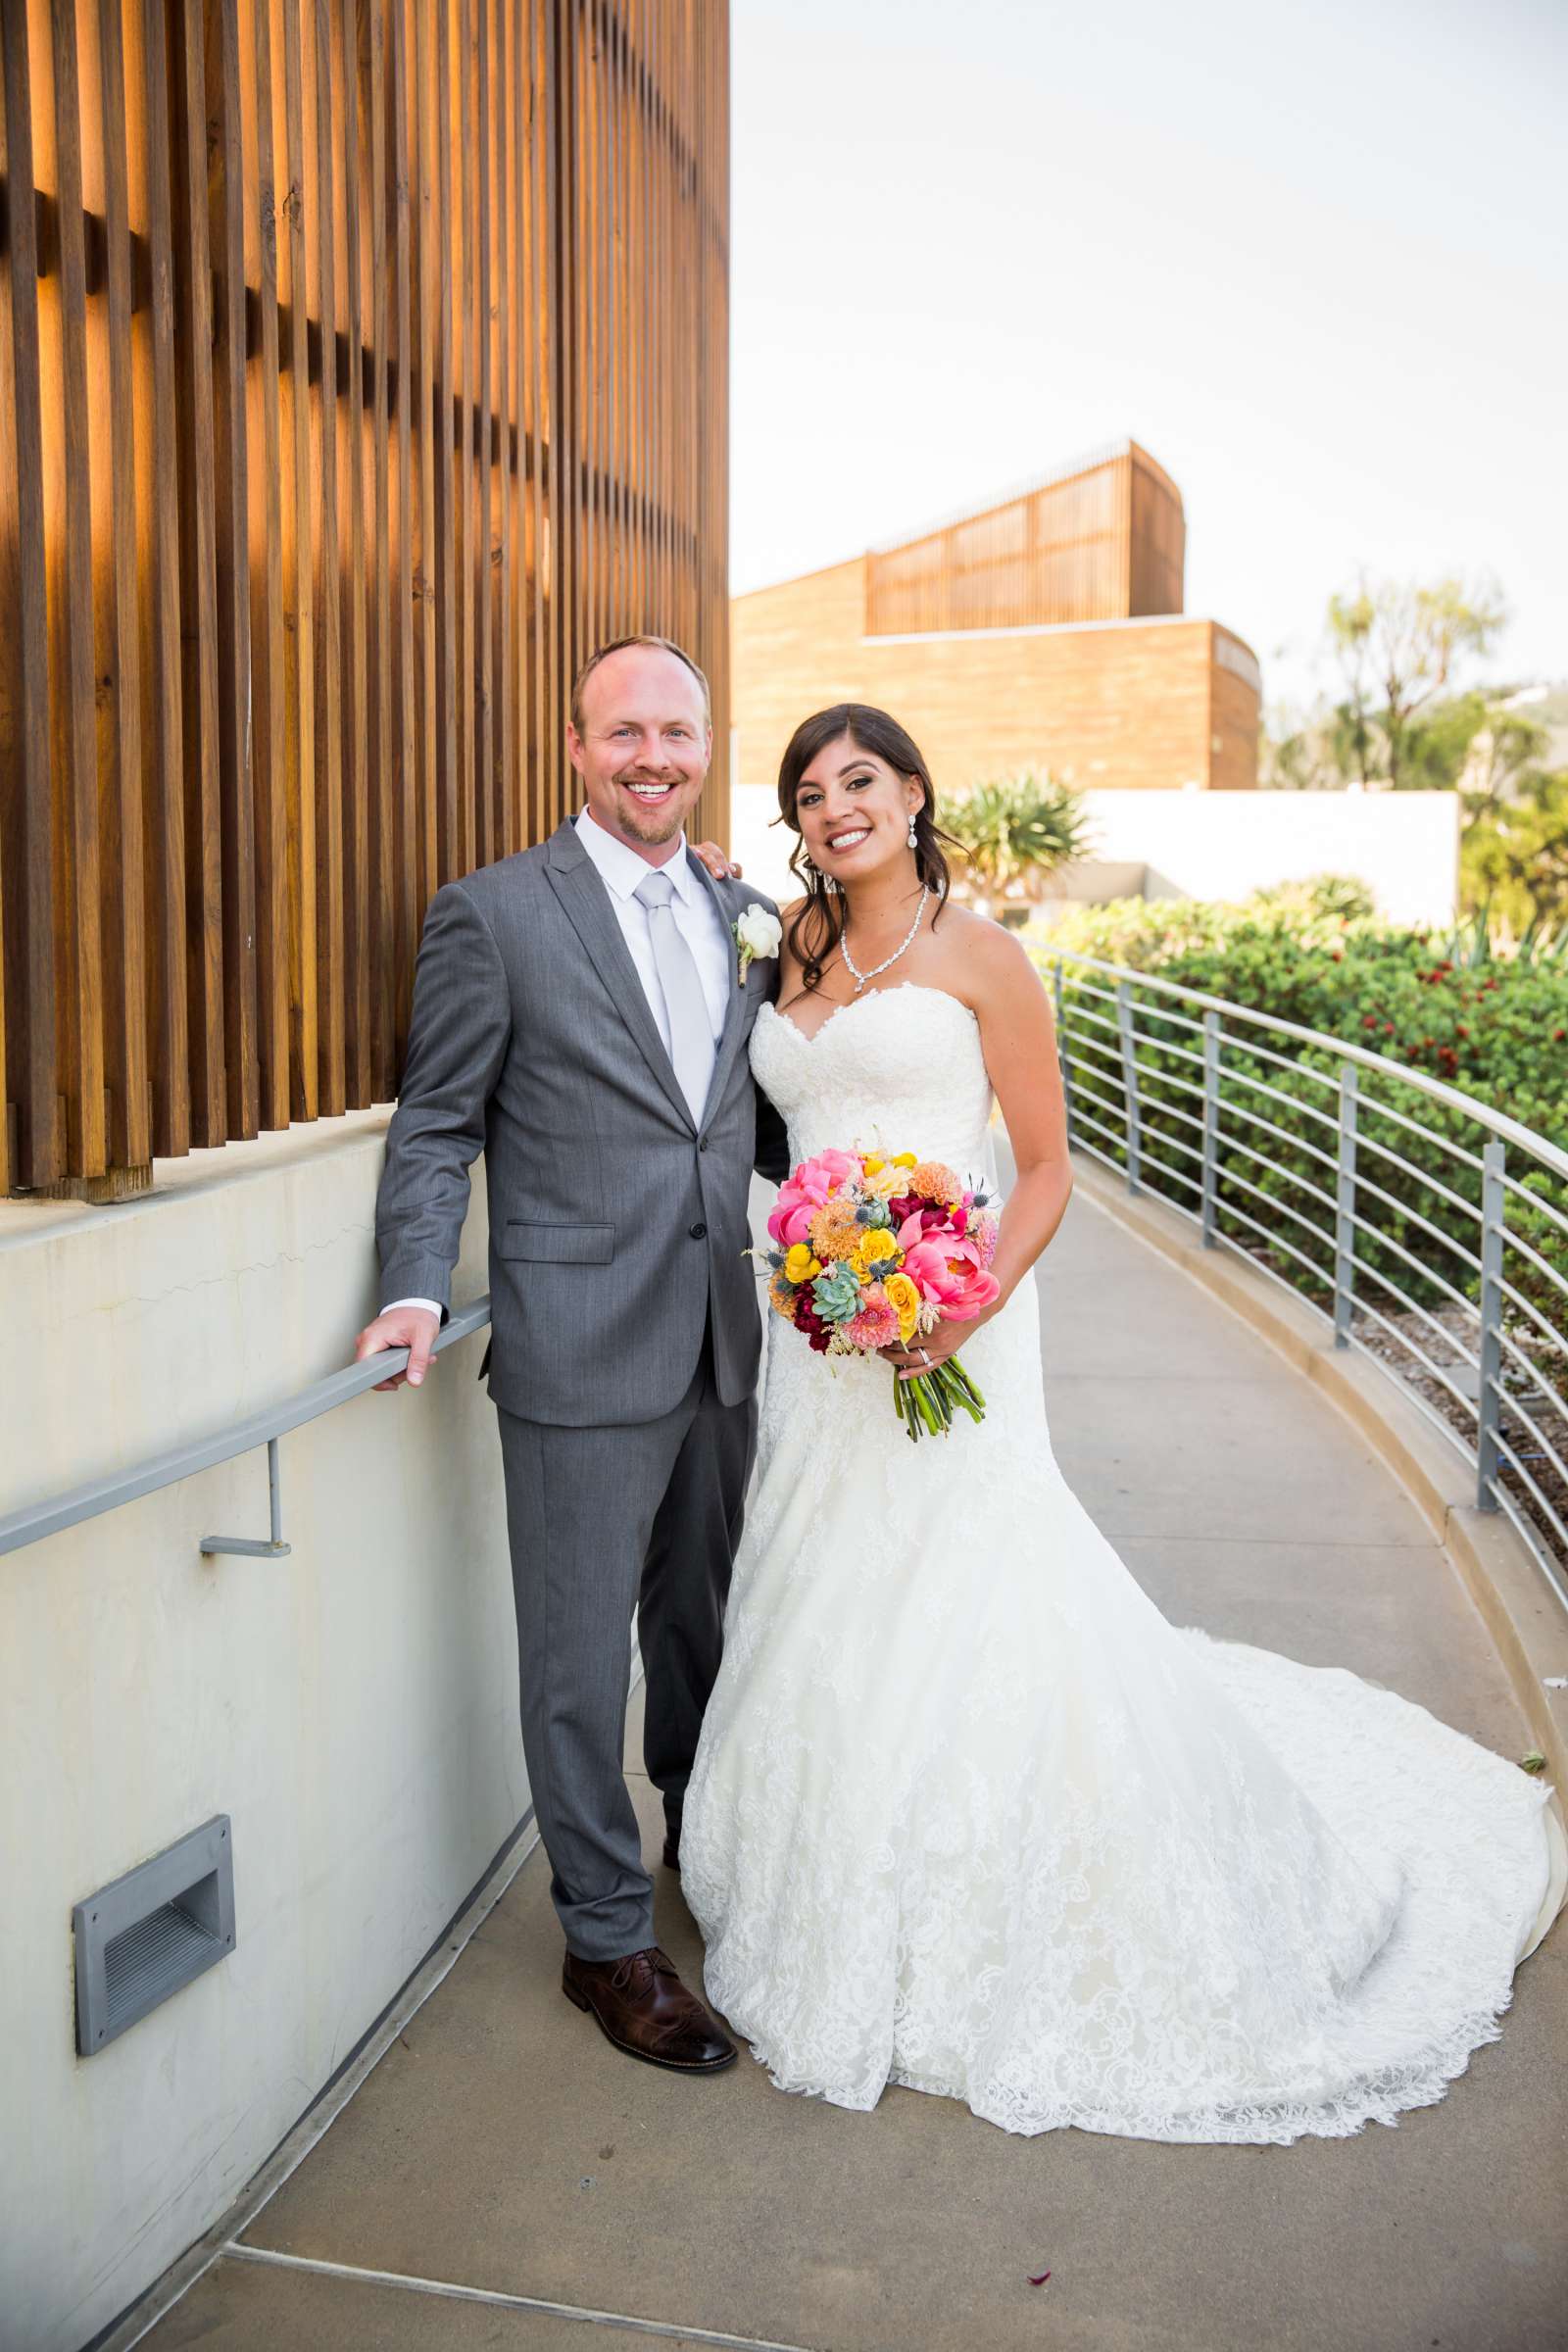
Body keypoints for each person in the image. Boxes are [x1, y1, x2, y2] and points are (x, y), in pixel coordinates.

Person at [678, 700, 1567, 2142]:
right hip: (822, 1339)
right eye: (809, 788)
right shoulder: (788, 947)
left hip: (956, 1310)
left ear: (913, 792)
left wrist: (953, 1307)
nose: (836, 804)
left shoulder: (986, 959)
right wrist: (832, 1278)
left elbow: (1044, 1170)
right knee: (821, 1581)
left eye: (861, 779)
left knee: (965, 1587)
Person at [358, 635, 789, 2076]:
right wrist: (418, 1285)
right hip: (578, 1345)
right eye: (625, 733)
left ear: (705, 744)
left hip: (725, 1335)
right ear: (575, 745)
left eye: (677, 732)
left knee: (699, 1635)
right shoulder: (492, 915)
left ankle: (702, 1859)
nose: (653, 756)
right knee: (575, 1664)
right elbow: (438, 1123)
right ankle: (606, 1943)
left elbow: (753, 1113)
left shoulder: (745, 909)